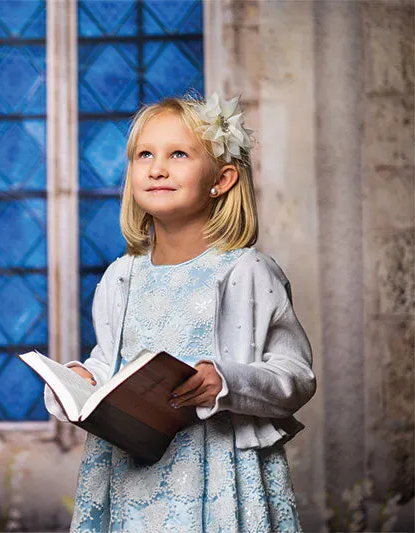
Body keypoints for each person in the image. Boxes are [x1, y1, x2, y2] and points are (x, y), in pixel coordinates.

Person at [44, 93, 317, 532]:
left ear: (222, 179)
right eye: (144, 154)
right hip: (128, 476)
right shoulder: (120, 277)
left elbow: (296, 376)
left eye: (178, 154)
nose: (157, 168)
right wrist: (84, 380)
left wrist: (224, 382)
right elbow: (109, 359)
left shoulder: (246, 272)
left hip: (217, 472)